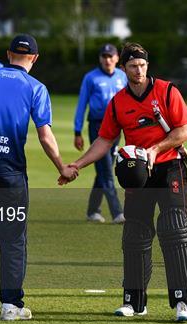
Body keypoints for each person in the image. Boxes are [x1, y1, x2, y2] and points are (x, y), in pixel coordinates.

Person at [60, 43, 187, 322]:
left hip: (169, 166)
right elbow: (105, 139)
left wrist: (155, 149)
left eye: (143, 65)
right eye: (133, 66)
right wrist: (78, 164)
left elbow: (186, 129)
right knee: (135, 235)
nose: (139, 71)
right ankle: (134, 301)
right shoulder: (118, 102)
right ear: (123, 68)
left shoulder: (167, 91)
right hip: (137, 172)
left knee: (174, 230)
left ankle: (182, 303)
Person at [0, 34, 77, 320]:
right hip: (7, 170)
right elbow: (45, 135)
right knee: (13, 236)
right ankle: (11, 303)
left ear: (8, 54)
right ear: (35, 59)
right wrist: (62, 166)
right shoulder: (35, 87)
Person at [73, 43, 127, 224]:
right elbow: (82, 104)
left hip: (116, 128)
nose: (107, 60)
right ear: (100, 59)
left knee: (103, 170)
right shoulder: (91, 78)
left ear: (117, 58)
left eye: (111, 56)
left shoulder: (122, 76)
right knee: (106, 171)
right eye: (104, 56)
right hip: (97, 127)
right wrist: (77, 131)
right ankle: (117, 212)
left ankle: (92, 210)